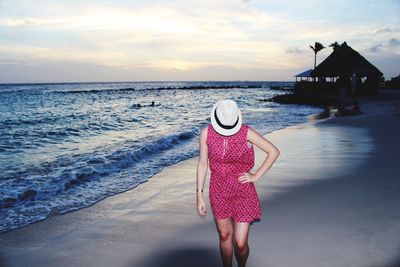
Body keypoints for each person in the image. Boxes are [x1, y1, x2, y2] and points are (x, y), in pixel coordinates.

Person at [196, 99, 280, 267]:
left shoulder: (247, 132)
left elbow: (273, 151)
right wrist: (199, 195)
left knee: (240, 243)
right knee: (225, 236)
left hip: (243, 190)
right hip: (218, 190)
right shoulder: (206, 133)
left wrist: (255, 176)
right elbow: (203, 164)